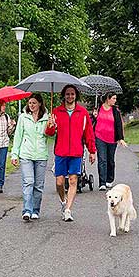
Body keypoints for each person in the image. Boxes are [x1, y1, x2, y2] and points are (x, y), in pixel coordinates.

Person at [45, 84, 96, 222]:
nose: (70, 96)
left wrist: (92, 151)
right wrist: (50, 126)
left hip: (76, 152)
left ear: (76, 96)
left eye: (72, 94)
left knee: (73, 181)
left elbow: (89, 134)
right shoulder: (56, 112)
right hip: (61, 152)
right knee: (60, 182)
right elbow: (49, 133)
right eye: (67, 94)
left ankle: (68, 210)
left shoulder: (83, 113)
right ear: (64, 95)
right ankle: (63, 201)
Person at [11, 94, 49, 221]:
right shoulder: (23, 117)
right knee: (29, 182)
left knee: (38, 185)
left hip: (41, 155)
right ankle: (27, 210)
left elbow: (51, 136)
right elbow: (18, 136)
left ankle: (35, 210)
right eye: (30, 103)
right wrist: (14, 154)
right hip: (26, 154)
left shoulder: (46, 118)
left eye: (34, 103)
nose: (31, 105)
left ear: (39, 104)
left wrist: (52, 127)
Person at [92, 93, 127, 191]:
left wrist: (121, 138)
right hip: (99, 137)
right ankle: (102, 182)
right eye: (114, 98)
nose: (115, 100)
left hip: (112, 138)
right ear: (108, 99)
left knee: (110, 160)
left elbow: (119, 124)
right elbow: (93, 121)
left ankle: (109, 179)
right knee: (102, 159)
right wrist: (94, 116)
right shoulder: (98, 109)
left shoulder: (115, 110)